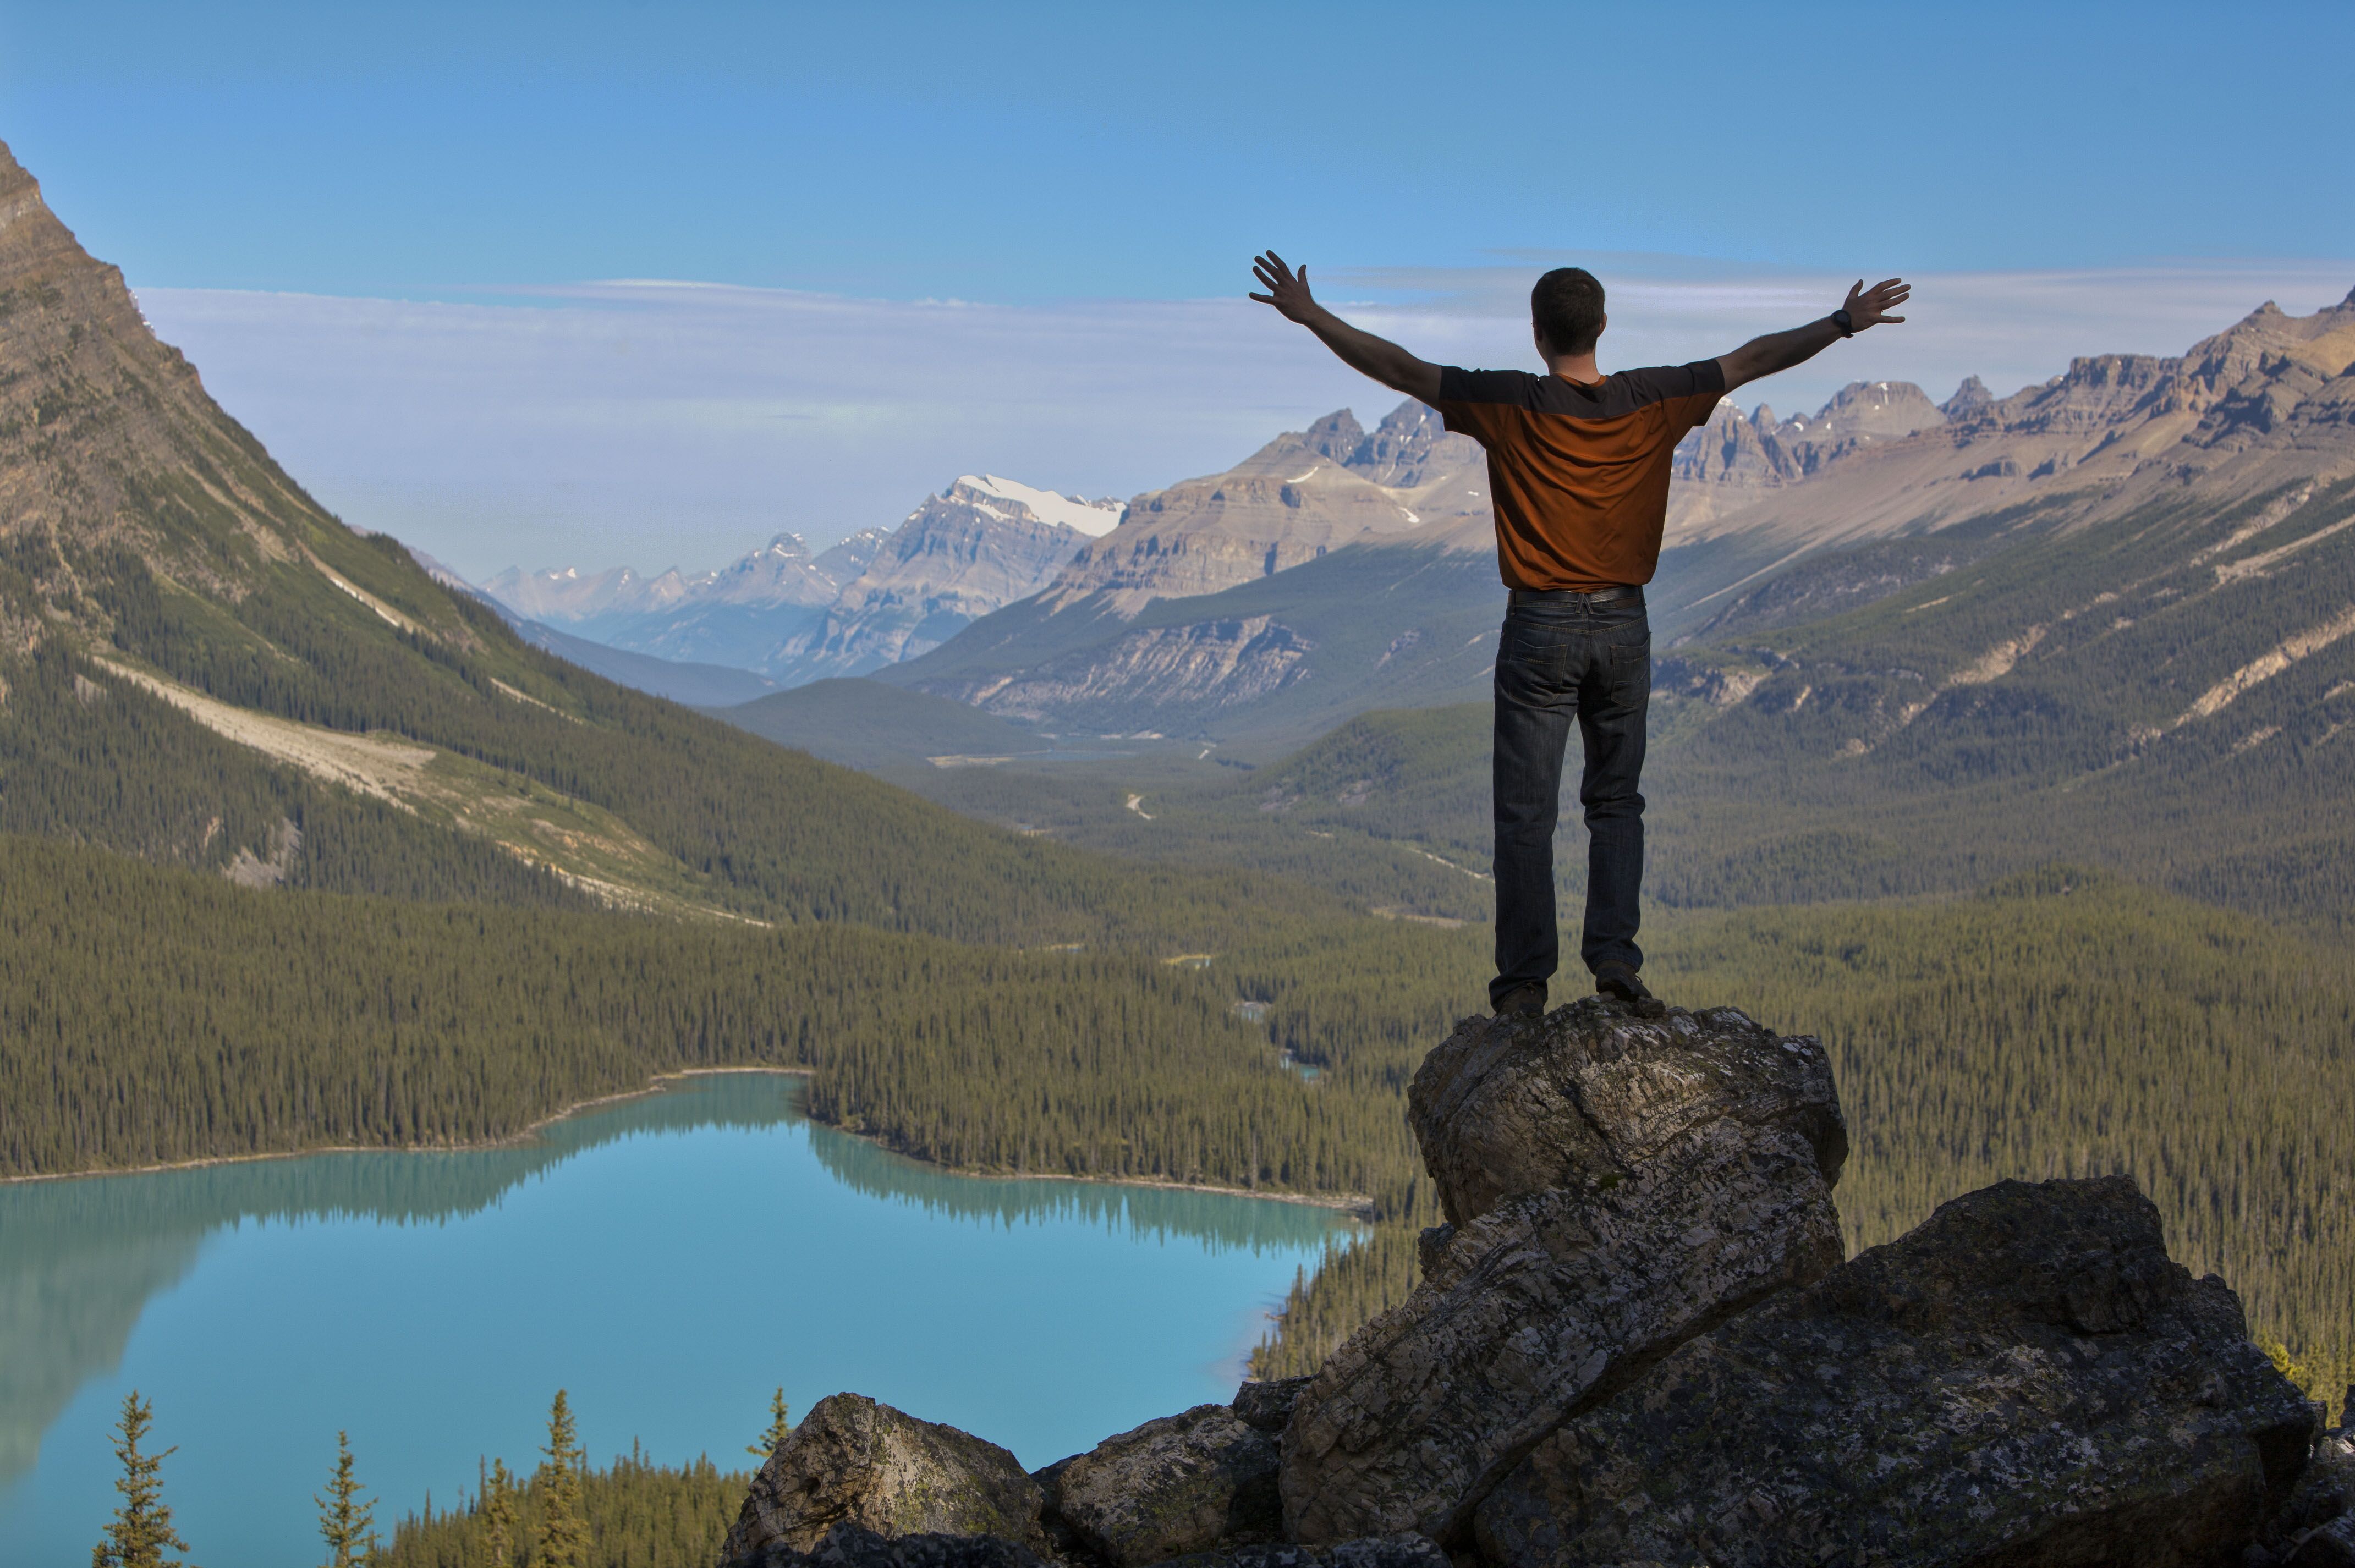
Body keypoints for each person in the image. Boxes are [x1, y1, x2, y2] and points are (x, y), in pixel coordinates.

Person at [1249, 253, 1909, 1017]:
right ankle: (1615, 961)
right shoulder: (1656, 396)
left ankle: (1525, 984)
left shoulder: (1508, 403)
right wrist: (1840, 324)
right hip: (1624, 623)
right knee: (1615, 802)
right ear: (1601, 326)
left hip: (1539, 625)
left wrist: (1313, 315)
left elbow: (1398, 368)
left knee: (1526, 815)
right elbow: (1754, 359)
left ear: (1536, 334)